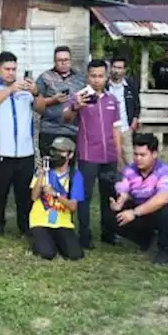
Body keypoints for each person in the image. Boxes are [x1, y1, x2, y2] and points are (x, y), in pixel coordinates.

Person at [62, 59, 125, 249]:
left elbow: (116, 130)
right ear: (87, 77)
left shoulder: (112, 100)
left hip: (109, 157)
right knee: (84, 197)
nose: (97, 80)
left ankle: (109, 233)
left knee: (109, 196)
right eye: (93, 76)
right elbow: (66, 117)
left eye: (100, 76)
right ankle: (84, 235)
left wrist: (119, 155)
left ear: (106, 77)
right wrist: (75, 106)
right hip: (88, 156)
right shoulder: (79, 97)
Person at [111, 132, 168, 266]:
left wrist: (134, 213)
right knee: (112, 217)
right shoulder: (129, 170)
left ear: (154, 154)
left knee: (167, 215)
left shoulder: (165, 171)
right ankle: (148, 240)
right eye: (135, 154)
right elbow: (123, 187)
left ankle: (165, 251)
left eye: (143, 155)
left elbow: (164, 198)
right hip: (144, 208)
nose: (138, 159)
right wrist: (120, 201)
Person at [0, 52, 38, 237]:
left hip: (24, 152)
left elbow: (41, 108)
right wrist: (10, 90)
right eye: (7, 69)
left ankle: (25, 227)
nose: (11, 73)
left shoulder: (25, 89)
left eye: (14, 69)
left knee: (24, 194)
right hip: (0, 152)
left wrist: (36, 92)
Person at [28, 136, 86, 261]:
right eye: (55, 151)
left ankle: (55, 241)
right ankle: (41, 241)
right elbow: (33, 197)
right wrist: (41, 174)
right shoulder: (44, 171)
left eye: (61, 151)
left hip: (62, 221)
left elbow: (73, 206)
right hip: (40, 220)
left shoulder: (75, 176)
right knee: (47, 253)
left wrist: (56, 195)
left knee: (75, 255)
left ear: (70, 155)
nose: (57, 154)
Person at [36, 45, 85, 156]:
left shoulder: (80, 78)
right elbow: (36, 104)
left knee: (70, 168)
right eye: (59, 60)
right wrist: (52, 100)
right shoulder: (44, 77)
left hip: (72, 130)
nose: (63, 63)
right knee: (48, 166)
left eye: (66, 60)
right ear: (54, 61)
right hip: (49, 129)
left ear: (71, 60)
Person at [108, 56, 142, 163]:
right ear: (110, 68)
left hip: (125, 128)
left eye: (120, 68)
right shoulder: (104, 86)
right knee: (114, 161)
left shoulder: (130, 85)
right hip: (108, 130)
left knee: (130, 161)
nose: (117, 71)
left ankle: (132, 179)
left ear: (124, 70)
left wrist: (134, 123)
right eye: (114, 67)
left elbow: (137, 105)